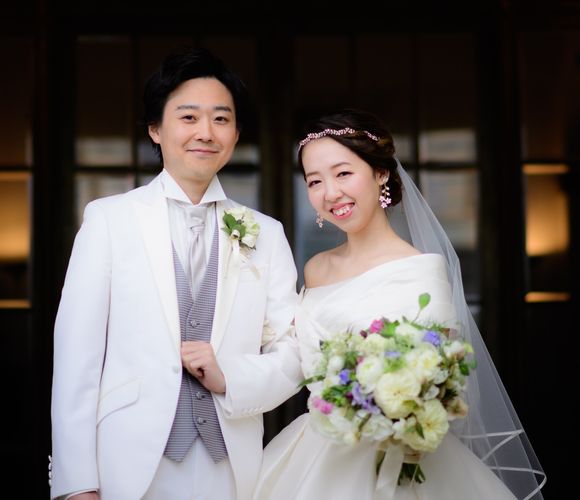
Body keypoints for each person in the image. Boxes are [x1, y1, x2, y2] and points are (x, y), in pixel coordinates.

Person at [50, 47, 302, 500]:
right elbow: (76, 357)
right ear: (155, 129)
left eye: (221, 119)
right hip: (127, 465)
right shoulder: (109, 220)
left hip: (233, 466)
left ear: (236, 133)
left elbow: (294, 351)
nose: (206, 132)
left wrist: (231, 377)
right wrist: (77, 481)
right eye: (188, 117)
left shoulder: (266, 233)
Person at [252, 109, 545, 499]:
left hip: (400, 454)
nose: (330, 193)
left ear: (380, 173)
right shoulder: (316, 269)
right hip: (318, 450)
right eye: (315, 181)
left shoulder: (421, 271)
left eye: (343, 173)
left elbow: (441, 383)